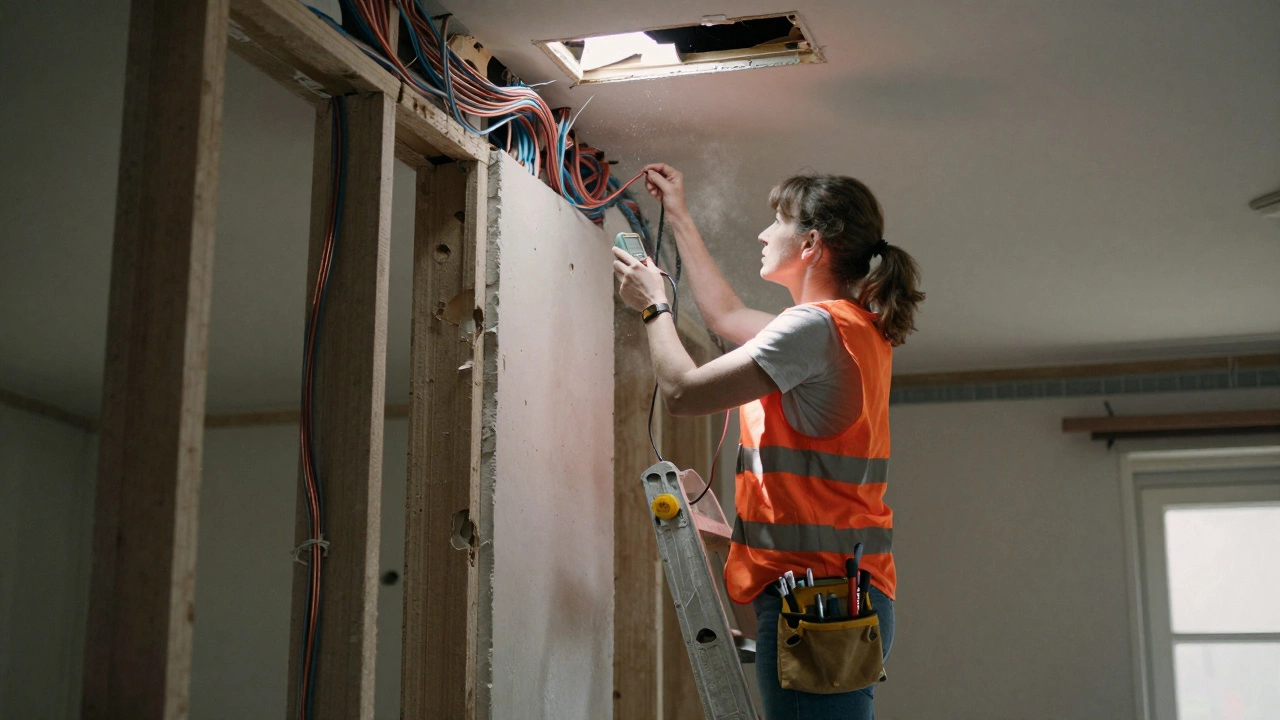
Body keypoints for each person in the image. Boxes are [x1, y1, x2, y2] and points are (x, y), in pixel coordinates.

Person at [612, 163, 925, 719]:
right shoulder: (848, 327)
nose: (763, 233)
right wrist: (679, 216)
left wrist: (653, 305)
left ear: (811, 243)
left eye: (777, 220)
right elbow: (726, 314)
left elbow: (682, 392)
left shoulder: (813, 330)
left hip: (817, 600)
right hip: (832, 593)